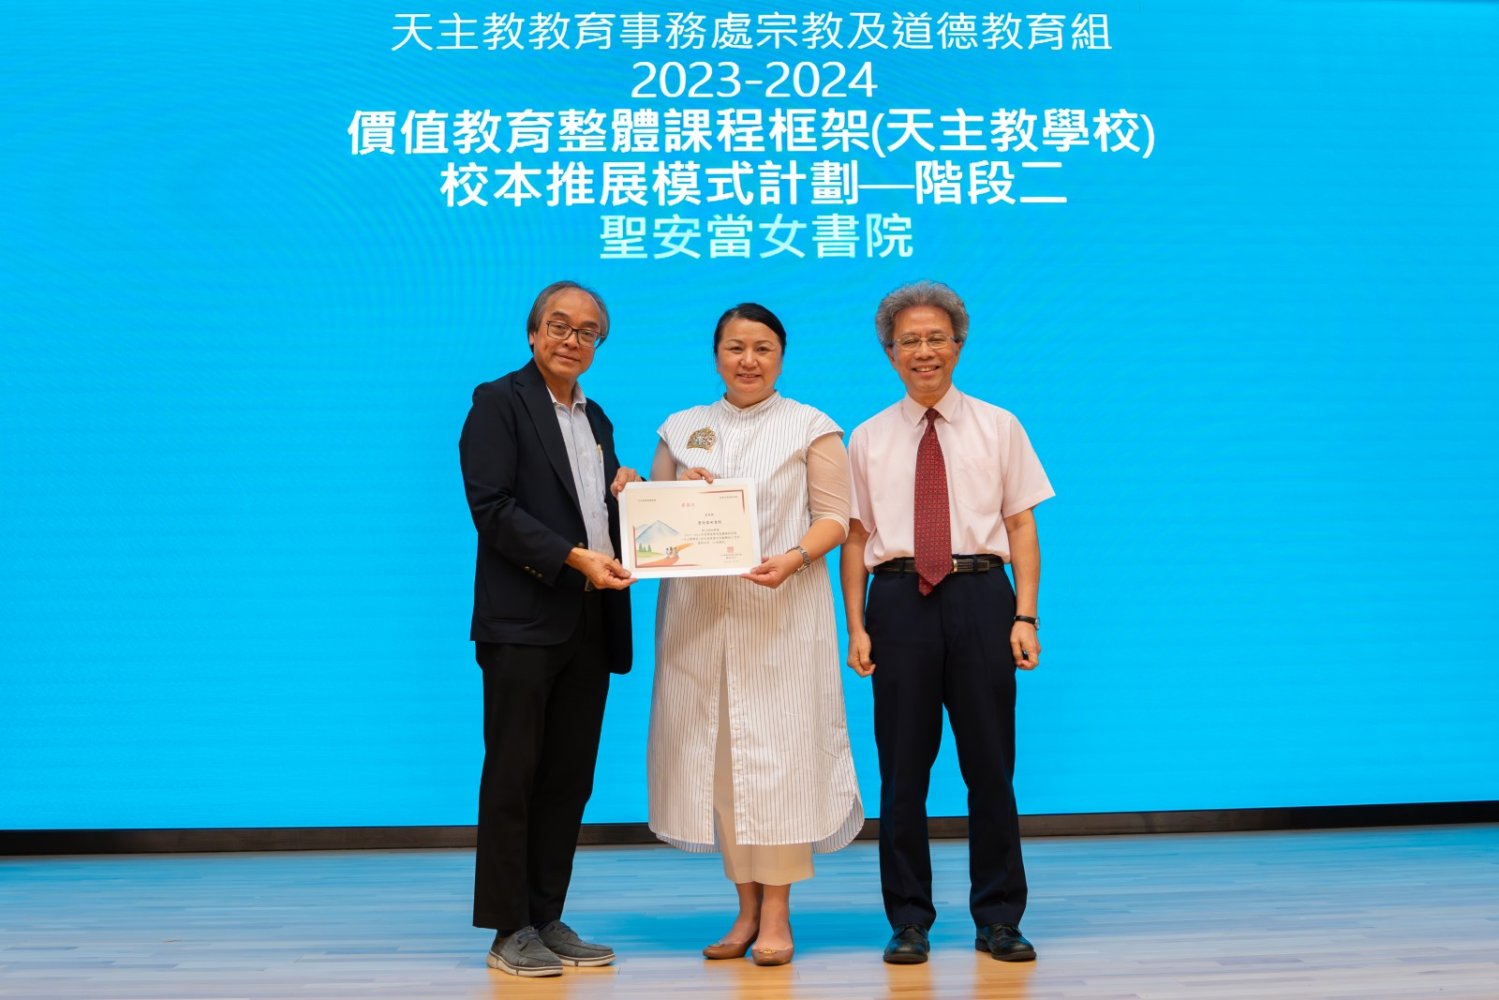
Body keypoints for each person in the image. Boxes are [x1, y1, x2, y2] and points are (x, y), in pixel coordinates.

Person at [841, 281, 1054, 965]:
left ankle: (999, 917)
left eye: (936, 338)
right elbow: (854, 538)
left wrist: (1025, 614)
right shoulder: (867, 437)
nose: (923, 351)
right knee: (902, 772)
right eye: (909, 341)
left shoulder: (999, 425)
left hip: (981, 596)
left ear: (958, 345)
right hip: (898, 600)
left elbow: (1021, 526)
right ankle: (909, 920)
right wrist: (857, 627)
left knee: (990, 766)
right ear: (889, 353)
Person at [646, 303, 863, 967]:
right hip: (698, 620)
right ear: (716, 355)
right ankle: (743, 910)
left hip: (783, 616)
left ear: (781, 356)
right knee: (719, 763)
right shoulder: (681, 428)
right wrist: (668, 488)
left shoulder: (811, 426)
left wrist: (794, 558)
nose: (748, 360)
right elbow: (652, 519)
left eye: (763, 348)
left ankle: (776, 914)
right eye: (735, 347)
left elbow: (836, 519)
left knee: (780, 763)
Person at [458, 280, 642, 978]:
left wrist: (629, 498)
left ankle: (545, 915)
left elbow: (591, 514)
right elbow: (493, 508)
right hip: (524, 621)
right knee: (514, 775)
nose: (572, 339)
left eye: (587, 331)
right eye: (559, 326)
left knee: (568, 779)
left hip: (589, 619)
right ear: (533, 333)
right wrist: (571, 557)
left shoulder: (597, 420)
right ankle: (509, 928)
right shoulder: (497, 402)